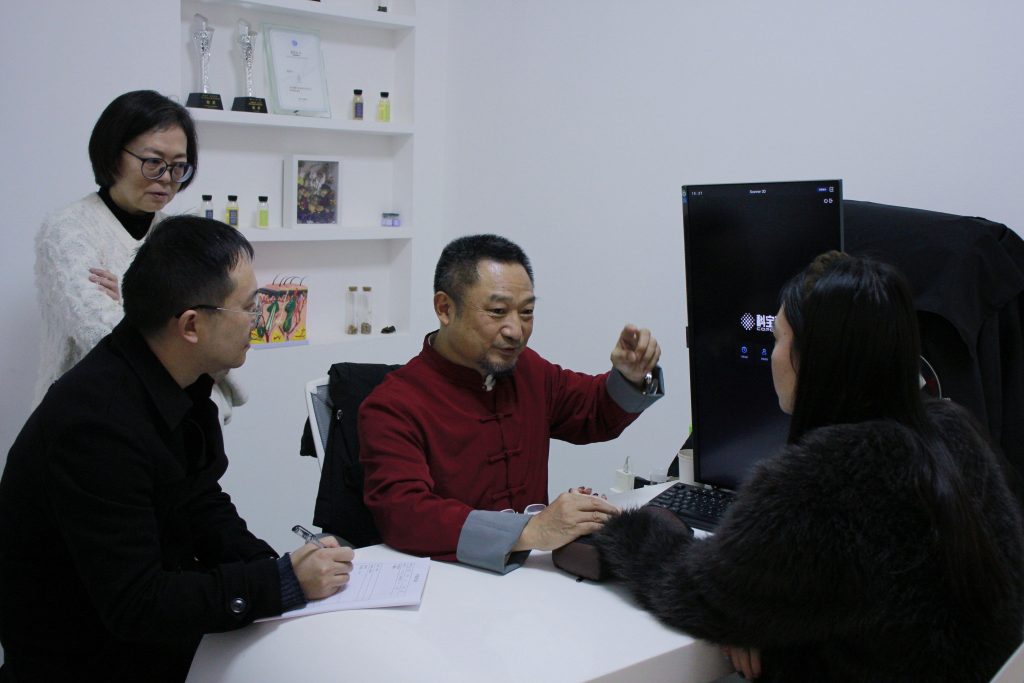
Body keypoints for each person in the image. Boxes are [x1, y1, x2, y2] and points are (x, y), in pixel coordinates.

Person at [593, 252, 1024, 682]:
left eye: (778, 338)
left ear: (814, 357)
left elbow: (697, 593)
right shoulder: (957, 434)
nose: (772, 355)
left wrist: (622, 528)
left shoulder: (825, 480)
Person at [0, 216, 355, 682]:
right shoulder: (97, 422)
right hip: (83, 658)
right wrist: (279, 583)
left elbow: (201, 503)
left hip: (148, 638)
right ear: (191, 325)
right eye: (249, 307)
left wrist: (277, 569)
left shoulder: (180, 382)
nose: (258, 320)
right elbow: (136, 603)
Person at [358, 233, 664, 573]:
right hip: (448, 578)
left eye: (527, 312)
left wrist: (629, 376)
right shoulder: (393, 404)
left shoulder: (528, 370)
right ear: (445, 308)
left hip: (531, 578)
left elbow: (592, 411)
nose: (516, 331)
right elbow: (405, 512)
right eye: (498, 311)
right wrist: (530, 530)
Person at [33, 89, 245, 421]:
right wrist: (161, 313)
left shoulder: (175, 235)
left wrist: (128, 303)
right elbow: (100, 336)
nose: (167, 179)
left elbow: (215, 330)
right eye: (153, 163)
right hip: (89, 415)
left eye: (178, 167)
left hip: (177, 413)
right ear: (112, 153)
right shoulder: (68, 230)